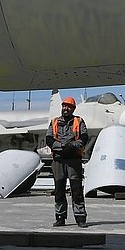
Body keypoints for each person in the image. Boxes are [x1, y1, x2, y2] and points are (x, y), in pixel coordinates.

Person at [45, 97, 88, 227]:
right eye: (64, 106)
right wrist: (61, 148)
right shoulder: (54, 122)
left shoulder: (79, 121)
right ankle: (60, 217)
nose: (66, 108)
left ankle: (80, 218)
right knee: (59, 190)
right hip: (59, 160)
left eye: (69, 106)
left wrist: (72, 147)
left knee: (76, 190)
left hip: (74, 160)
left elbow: (84, 138)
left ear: (73, 109)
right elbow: (49, 139)